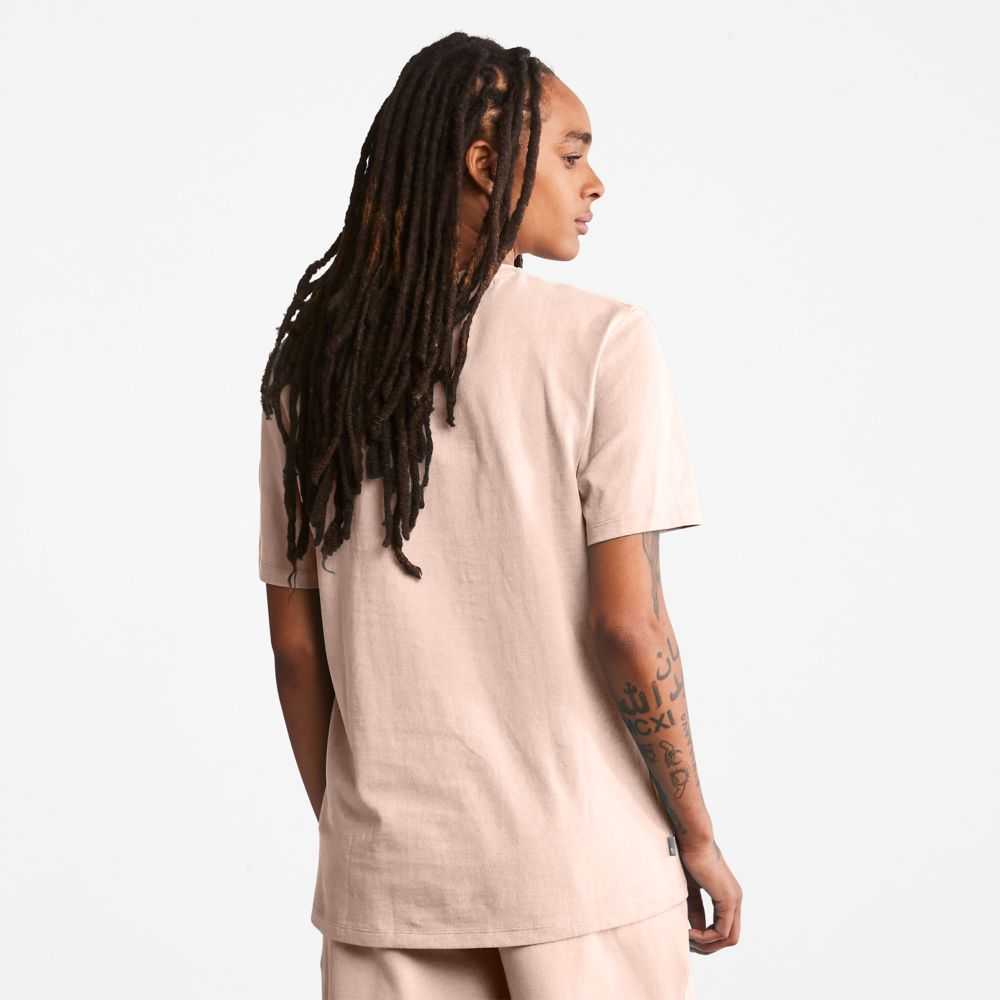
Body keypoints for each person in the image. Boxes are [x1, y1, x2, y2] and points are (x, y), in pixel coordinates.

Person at [258, 30, 742, 999]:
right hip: (583, 870)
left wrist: (363, 838)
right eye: (570, 154)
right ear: (486, 164)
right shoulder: (601, 342)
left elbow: (298, 651)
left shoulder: (314, 370)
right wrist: (695, 834)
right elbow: (629, 625)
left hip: (388, 883)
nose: (593, 183)